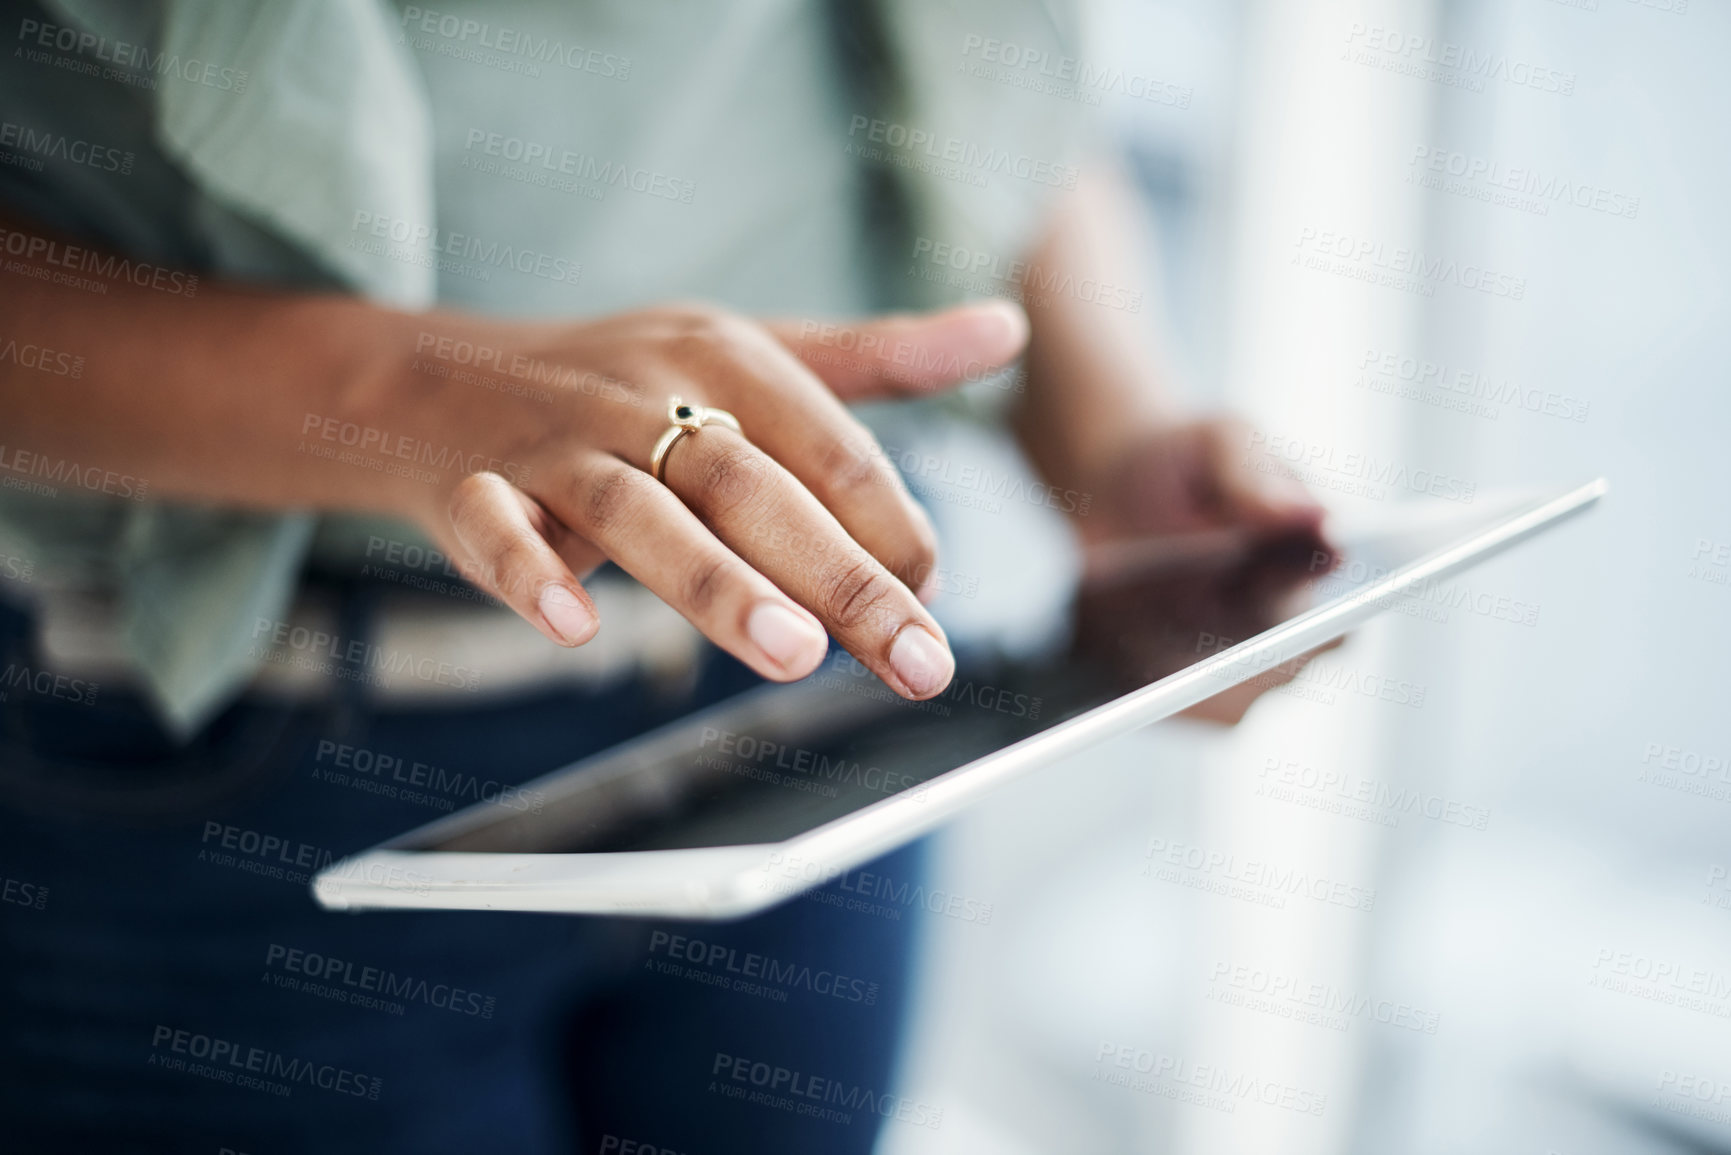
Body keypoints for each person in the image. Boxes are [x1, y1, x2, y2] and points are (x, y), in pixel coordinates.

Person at [0, 1, 1322, 1150]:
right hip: (204, 779)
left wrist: (1108, 432)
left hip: (816, 694)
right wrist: (419, 397)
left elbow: (993, 71)